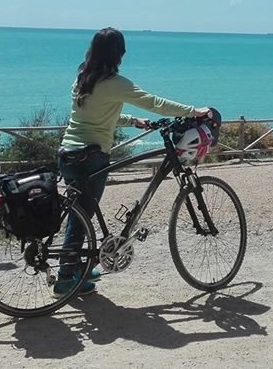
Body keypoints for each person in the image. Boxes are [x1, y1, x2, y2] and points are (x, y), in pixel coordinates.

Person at [56, 27, 209, 297]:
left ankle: (76, 267)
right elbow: (153, 102)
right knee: (82, 215)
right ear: (118, 54)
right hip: (92, 155)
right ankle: (66, 278)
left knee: (79, 212)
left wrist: (132, 121)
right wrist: (193, 111)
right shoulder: (116, 83)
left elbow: (91, 116)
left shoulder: (83, 79)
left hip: (69, 152)